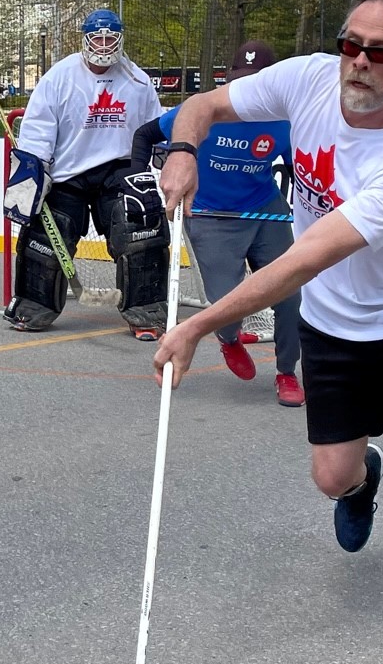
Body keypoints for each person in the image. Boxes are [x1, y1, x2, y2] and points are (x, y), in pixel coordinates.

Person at [151, 0, 383, 664]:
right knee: (331, 479)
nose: (359, 62)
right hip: (337, 321)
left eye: (380, 52)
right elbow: (207, 105)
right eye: (351, 44)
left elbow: (301, 261)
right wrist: (184, 150)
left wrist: (197, 324)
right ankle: (364, 476)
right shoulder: (307, 78)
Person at [129, 39, 304, 408]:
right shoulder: (204, 111)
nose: (248, 87)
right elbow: (144, 135)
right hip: (210, 214)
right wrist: (138, 179)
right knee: (225, 304)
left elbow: (298, 167)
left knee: (291, 296)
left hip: (264, 209)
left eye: (257, 79)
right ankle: (229, 338)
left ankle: (287, 371)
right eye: (241, 78)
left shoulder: (284, 121)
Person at [2, 8, 167, 338]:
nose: (104, 45)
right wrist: (35, 174)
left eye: (110, 39)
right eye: (97, 38)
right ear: (85, 39)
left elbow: (155, 127)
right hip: (68, 172)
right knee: (44, 239)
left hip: (120, 168)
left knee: (140, 232)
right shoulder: (59, 78)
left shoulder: (138, 81)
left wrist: (166, 162)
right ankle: (33, 306)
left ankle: (146, 312)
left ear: (120, 40)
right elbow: (37, 130)